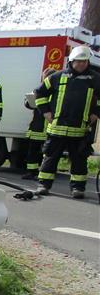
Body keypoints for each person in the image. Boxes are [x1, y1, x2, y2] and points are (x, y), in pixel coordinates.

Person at [35, 45, 100, 199]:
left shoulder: (95, 79)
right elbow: (39, 93)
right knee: (50, 158)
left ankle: (78, 188)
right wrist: (46, 112)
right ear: (71, 61)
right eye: (78, 61)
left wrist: (96, 113)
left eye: (84, 61)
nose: (81, 64)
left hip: (79, 130)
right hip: (57, 129)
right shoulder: (57, 76)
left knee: (79, 160)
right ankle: (44, 185)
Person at [21, 67, 56, 180]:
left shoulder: (57, 91)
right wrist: (30, 100)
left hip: (50, 127)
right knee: (33, 151)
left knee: (48, 153)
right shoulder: (38, 90)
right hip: (38, 127)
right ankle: (31, 172)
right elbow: (27, 104)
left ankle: (44, 173)